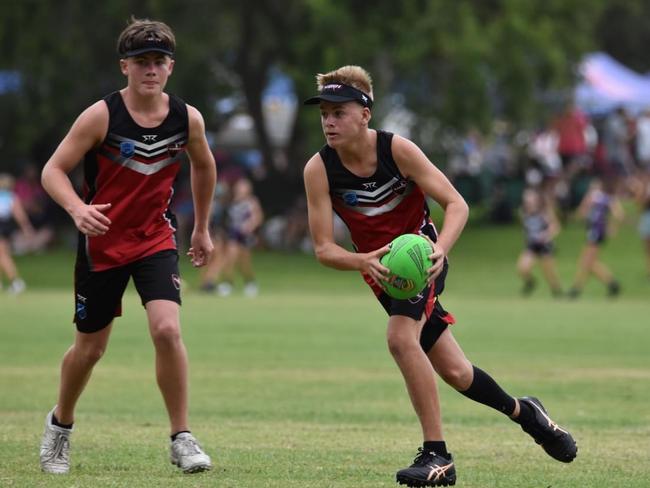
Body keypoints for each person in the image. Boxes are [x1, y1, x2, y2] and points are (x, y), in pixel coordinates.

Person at [302, 65, 577, 487]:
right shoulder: (319, 170)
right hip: (381, 273)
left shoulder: (399, 152)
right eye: (325, 112)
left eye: (339, 111)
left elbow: (458, 204)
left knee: (399, 339)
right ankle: (529, 415)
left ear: (365, 114)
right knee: (456, 372)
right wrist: (364, 261)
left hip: (422, 257)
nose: (329, 121)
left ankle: (437, 456)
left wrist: (439, 249)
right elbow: (324, 249)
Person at [39, 17, 216, 475]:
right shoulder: (101, 116)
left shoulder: (186, 117)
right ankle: (60, 426)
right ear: (125, 67)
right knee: (90, 350)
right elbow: (52, 171)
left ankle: (182, 437)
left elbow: (204, 166)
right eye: (141, 62)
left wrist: (202, 227)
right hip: (101, 243)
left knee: (167, 330)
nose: (150, 70)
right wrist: (78, 210)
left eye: (158, 61)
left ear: (171, 67)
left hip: (155, 237)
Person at [568, 179, 624, 298]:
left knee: (587, 262)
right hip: (595, 232)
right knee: (588, 262)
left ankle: (577, 289)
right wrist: (612, 227)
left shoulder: (597, 198)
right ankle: (611, 284)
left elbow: (581, 213)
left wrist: (612, 227)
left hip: (595, 233)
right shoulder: (605, 198)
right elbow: (619, 215)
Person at [215, 177, 264, 297]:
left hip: (246, 235)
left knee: (244, 263)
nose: (241, 188)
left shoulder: (251, 201)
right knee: (230, 257)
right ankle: (227, 283)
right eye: (240, 186)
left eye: (244, 186)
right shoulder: (231, 200)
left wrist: (249, 226)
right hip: (233, 234)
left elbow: (258, 217)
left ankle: (250, 282)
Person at [516, 187, 563, 297]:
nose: (528, 199)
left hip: (544, 245)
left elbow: (556, 226)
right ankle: (531, 283)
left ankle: (557, 292)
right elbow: (526, 228)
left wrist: (546, 235)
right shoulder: (523, 211)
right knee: (522, 268)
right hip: (532, 245)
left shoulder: (544, 211)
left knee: (549, 272)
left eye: (531, 197)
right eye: (526, 197)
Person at [0, 173, 33, 294]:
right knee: (2, 255)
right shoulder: (11, 196)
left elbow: (19, 214)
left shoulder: (9, 196)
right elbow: (19, 214)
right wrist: (26, 227)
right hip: (5, 227)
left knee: (3, 256)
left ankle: (16, 282)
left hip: (2, 227)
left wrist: (26, 227)